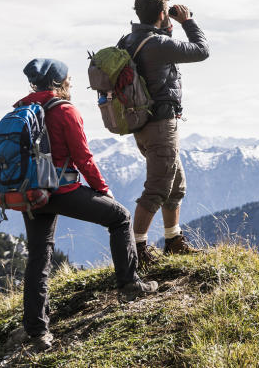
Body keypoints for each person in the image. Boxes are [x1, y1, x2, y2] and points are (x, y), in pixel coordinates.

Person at [15, 58, 157, 351]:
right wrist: (103, 190)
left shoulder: (21, 110)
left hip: (31, 194)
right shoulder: (64, 111)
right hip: (62, 190)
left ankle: (36, 331)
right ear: (58, 83)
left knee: (39, 256)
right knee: (119, 217)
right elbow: (83, 157)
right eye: (67, 78)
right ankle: (130, 285)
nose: (71, 83)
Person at [119, 0, 209, 266]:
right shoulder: (156, 44)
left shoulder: (130, 39)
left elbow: (156, 57)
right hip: (160, 124)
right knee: (158, 188)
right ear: (161, 14)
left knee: (175, 184)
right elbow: (201, 51)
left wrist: (166, 28)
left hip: (143, 122)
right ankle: (137, 251)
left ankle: (173, 240)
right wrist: (188, 22)